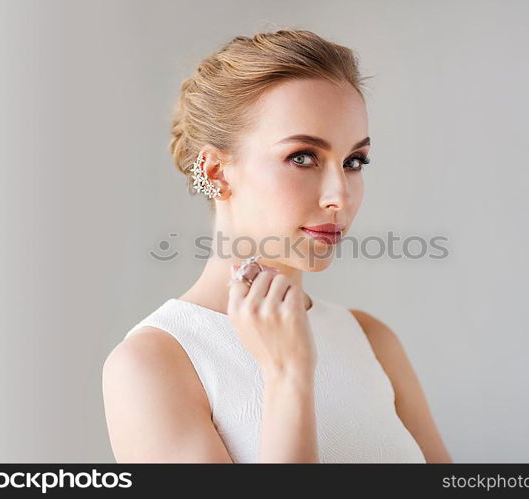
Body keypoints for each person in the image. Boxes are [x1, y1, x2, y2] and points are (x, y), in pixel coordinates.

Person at [102, 28, 452, 464]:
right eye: (302, 157)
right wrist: (288, 377)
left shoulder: (371, 339)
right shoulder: (153, 364)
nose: (339, 196)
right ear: (215, 172)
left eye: (353, 161)